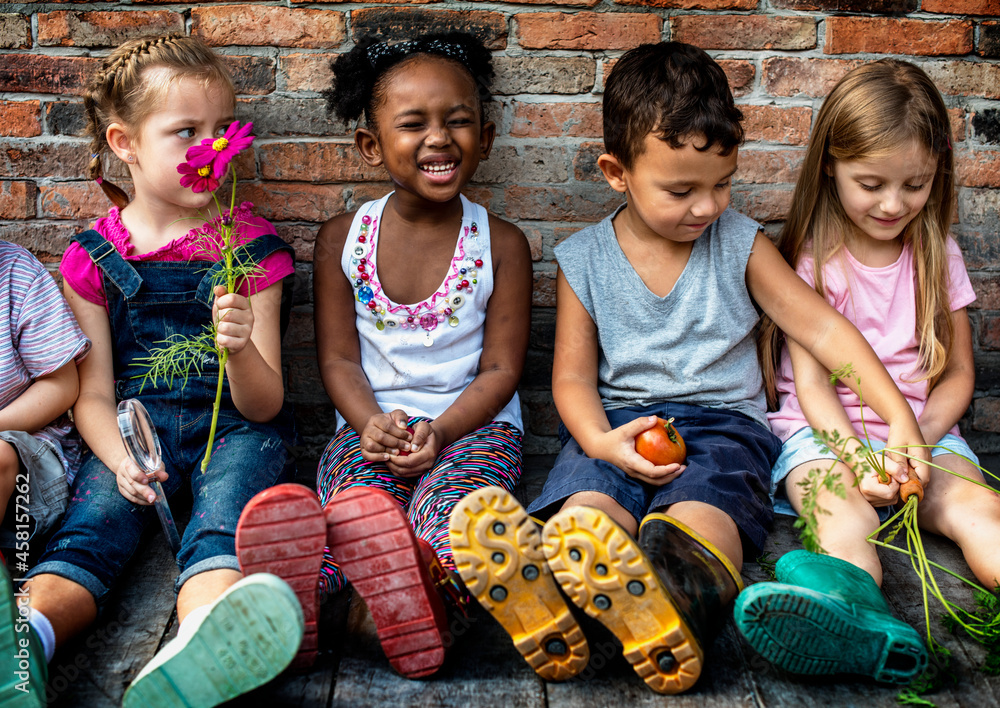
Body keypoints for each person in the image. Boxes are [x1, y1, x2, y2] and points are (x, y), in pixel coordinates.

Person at [448, 41, 934, 696]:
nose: (707, 207)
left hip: (723, 431)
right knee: (586, 512)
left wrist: (899, 418)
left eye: (722, 184)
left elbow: (821, 328)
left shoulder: (740, 243)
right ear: (617, 172)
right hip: (614, 428)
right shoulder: (586, 260)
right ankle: (564, 595)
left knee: (701, 522)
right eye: (682, 190)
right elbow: (570, 378)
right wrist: (598, 440)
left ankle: (674, 601)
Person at [0, 35, 304, 708]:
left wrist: (240, 348)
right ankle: (25, 646)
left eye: (223, 131)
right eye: (186, 132)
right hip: (134, 434)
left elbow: (263, 404)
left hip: (238, 433)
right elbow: (94, 391)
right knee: (91, 530)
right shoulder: (93, 258)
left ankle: (200, 648)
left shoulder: (251, 248)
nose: (212, 149)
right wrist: (120, 462)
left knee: (224, 522)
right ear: (125, 142)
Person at [233, 32, 534, 679]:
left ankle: (414, 598)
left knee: (456, 515)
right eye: (413, 124)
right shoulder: (343, 239)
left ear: (484, 136)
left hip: (474, 428)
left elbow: (502, 371)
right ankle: (301, 598)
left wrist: (444, 429)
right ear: (371, 146)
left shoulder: (502, 244)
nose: (439, 138)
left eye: (457, 121)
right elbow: (339, 360)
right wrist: (369, 423)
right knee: (358, 509)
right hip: (368, 429)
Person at [735, 59, 1000, 684]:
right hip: (822, 438)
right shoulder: (809, 261)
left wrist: (918, 440)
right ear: (831, 163)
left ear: (937, 173)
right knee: (840, 519)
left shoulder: (939, 255)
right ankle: (859, 622)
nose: (893, 203)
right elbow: (813, 384)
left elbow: (959, 371)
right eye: (872, 182)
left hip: (926, 433)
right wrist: (858, 455)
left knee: (978, 510)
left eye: (915, 184)